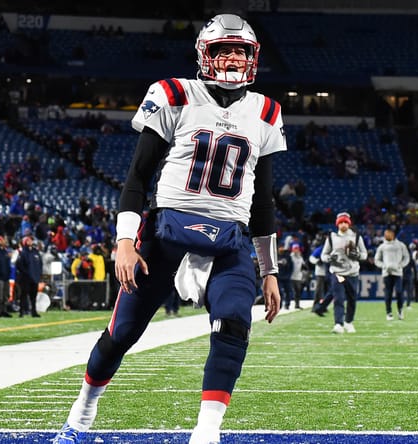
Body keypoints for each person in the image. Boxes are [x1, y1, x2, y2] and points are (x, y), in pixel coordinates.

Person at [52, 14, 284, 444]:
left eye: (241, 50)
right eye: (222, 49)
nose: (232, 57)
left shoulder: (266, 110)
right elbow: (138, 177)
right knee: (122, 333)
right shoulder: (174, 93)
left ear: (253, 57)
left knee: (234, 324)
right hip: (164, 234)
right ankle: (80, 417)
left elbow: (264, 201)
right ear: (204, 53)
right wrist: (124, 242)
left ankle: (206, 432)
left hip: (229, 240)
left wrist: (269, 270)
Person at [320, 212, 367, 334]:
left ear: (349, 223)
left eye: (345, 222)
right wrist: (330, 258)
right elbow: (323, 255)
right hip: (338, 273)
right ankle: (338, 324)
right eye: (341, 222)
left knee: (352, 299)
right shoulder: (331, 237)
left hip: (352, 273)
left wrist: (357, 255)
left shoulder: (356, 237)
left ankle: (348, 321)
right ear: (337, 224)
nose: (343, 225)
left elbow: (364, 254)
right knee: (339, 298)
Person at [373, 228, 410, 321]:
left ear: (393, 234)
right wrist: (384, 266)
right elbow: (376, 259)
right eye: (385, 233)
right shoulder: (382, 247)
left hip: (398, 273)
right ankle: (388, 312)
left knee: (399, 291)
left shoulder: (401, 245)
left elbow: (406, 257)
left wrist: (401, 265)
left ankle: (400, 310)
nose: (387, 235)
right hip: (387, 273)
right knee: (388, 293)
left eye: (388, 233)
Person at [15, 235, 42, 318]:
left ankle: (34, 311)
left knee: (33, 296)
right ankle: (22, 311)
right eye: (28, 240)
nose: (30, 241)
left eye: (30, 240)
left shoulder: (35, 252)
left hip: (35, 278)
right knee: (23, 295)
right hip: (25, 278)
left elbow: (40, 264)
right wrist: (26, 273)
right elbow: (19, 265)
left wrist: (38, 274)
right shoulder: (23, 252)